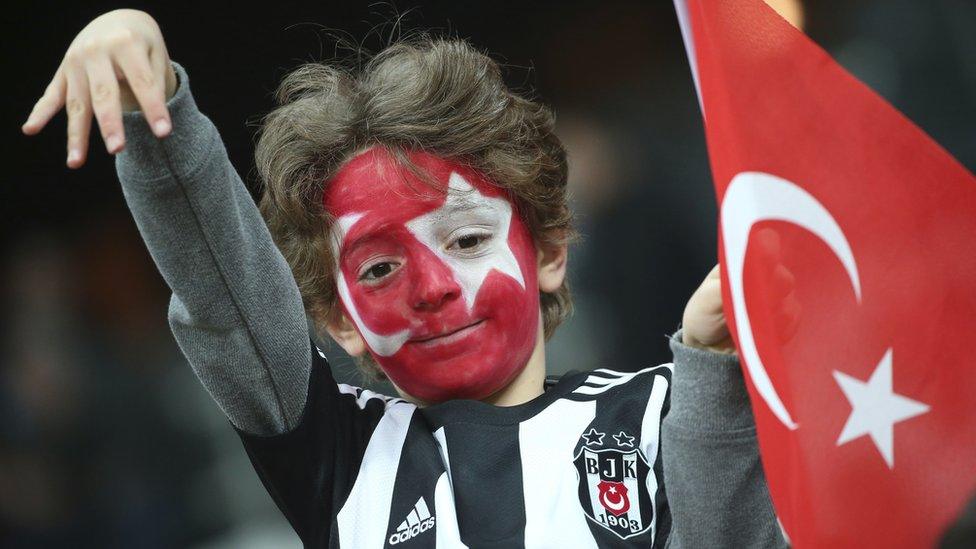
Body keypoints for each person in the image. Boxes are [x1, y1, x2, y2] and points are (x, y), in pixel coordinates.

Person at [22, 9, 787, 548]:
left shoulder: (664, 407)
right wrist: (154, 119)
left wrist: (712, 367)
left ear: (549, 249)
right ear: (338, 315)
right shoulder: (342, 455)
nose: (430, 284)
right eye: (381, 266)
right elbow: (227, 298)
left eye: (465, 236)